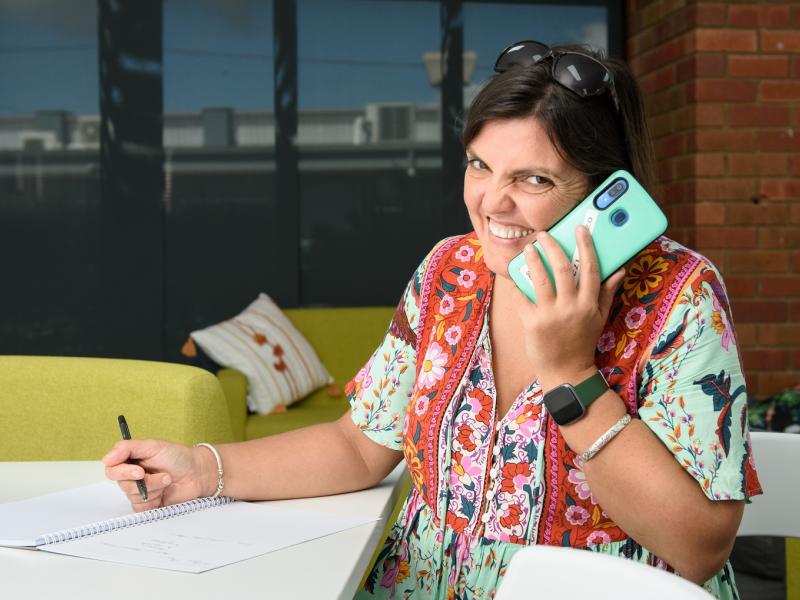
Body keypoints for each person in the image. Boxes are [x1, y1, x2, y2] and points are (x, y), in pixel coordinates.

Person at [103, 40, 761, 599]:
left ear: (603, 191)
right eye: (480, 165)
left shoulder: (679, 296)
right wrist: (202, 469)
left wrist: (572, 373)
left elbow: (699, 547)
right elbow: (358, 445)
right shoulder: (451, 269)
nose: (491, 202)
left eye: (532, 179)